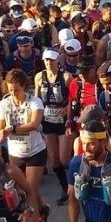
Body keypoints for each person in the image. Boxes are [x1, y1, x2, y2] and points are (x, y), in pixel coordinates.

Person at [0, 69, 49, 222]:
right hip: (15, 153)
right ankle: (42, 208)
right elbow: (0, 128)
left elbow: (34, 124)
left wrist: (11, 129)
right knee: (21, 192)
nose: (13, 93)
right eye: (10, 90)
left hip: (35, 151)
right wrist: (4, 131)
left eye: (16, 90)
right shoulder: (4, 104)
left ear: (24, 87)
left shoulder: (35, 102)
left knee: (30, 190)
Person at [33, 48, 74, 206]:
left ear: (57, 60)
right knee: (54, 160)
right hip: (48, 120)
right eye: (46, 60)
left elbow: (73, 96)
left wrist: (69, 110)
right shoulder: (39, 77)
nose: (49, 63)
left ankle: (74, 185)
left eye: (51, 60)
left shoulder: (65, 76)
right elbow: (36, 99)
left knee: (64, 159)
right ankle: (65, 189)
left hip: (63, 120)